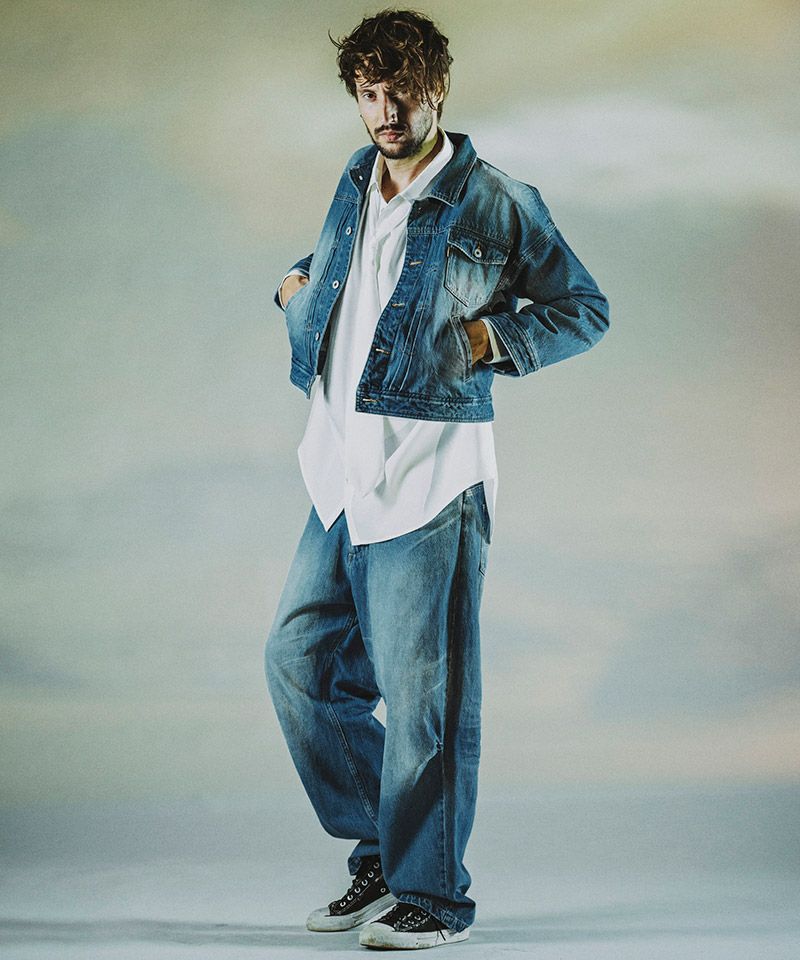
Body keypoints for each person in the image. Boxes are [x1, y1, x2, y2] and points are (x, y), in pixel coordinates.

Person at [264, 9, 609, 951]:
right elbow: (356, 281)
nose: (387, 111)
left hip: (429, 479)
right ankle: (382, 852)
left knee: (427, 706)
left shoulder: (496, 199)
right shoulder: (355, 178)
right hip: (340, 470)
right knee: (299, 664)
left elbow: (584, 307)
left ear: (438, 88)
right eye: (370, 92)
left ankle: (434, 896)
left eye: (403, 91)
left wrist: (493, 338)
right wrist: (294, 290)